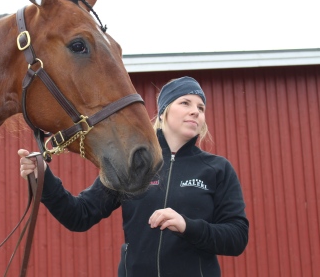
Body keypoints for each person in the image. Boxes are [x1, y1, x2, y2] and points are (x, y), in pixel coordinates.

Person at [18, 76, 249, 276]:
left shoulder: (217, 169)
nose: (195, 111)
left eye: (201, 108)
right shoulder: (132, 162)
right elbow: (79, 215)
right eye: (186, 102)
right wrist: (44, 179)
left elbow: (237, 237)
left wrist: (187, 226)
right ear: (165, 110)